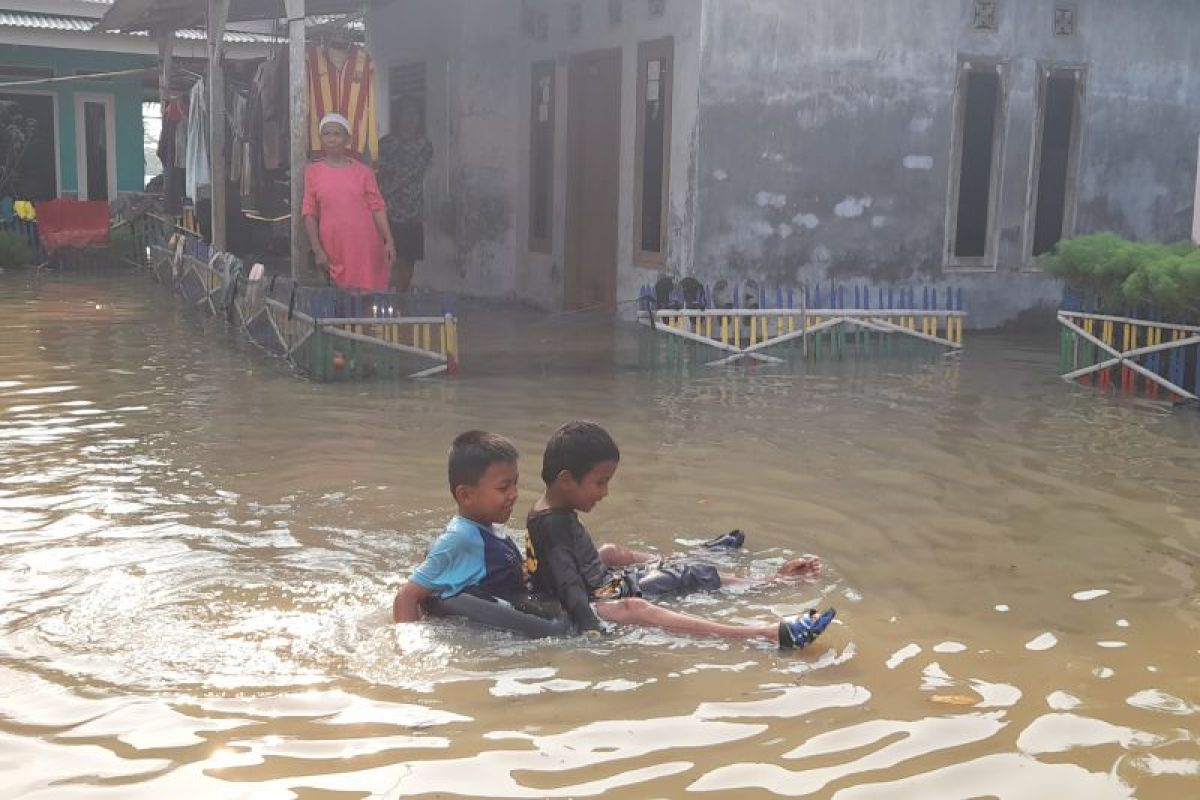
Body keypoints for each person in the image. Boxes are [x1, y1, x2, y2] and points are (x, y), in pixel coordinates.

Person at [526, 421, 835, 649]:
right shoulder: (554, 525)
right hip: (594, 596)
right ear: (566, 481)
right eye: (600, 483)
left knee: (610, 551)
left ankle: (706, 555)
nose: (605, 492)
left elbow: (555, 563)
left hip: (597, 582)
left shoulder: (545, 511)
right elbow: (569, 587)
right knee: (645, 602)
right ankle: (767, 631)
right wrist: (593, 628)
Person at [392, 431, 571, 637]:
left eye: (515, 483)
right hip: (475, 625)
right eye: (504, 487)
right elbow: (406, 596)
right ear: (466, 495)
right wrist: (411, 648)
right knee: (561, 629)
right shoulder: (460, 538)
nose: (514, 494)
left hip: (509, 601)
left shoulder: (490, 529)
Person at [302, 113, 395, 291]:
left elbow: (377, 207)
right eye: (327, 134)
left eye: (337, 134)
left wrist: (389, 240)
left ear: (347, 139)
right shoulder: (313, 172)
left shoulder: (364, 172)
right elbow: (309, 213)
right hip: (334, 246)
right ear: (320, 138)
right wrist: (317, 249)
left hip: (365, 246)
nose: (331, 139)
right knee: (339, 301)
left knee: (367, 299)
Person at [377, 101, 433, 292]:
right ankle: (385, 298)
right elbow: (378, 174)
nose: (410, 118)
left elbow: (414, 172)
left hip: (412, 213)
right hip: (388, 213)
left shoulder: (424, 145)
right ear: (397, 116)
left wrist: (392, 183)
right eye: (406, 113)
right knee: (387, 258)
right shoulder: (385, 144)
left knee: (408, 261)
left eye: (414, 113)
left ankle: (401, 299)